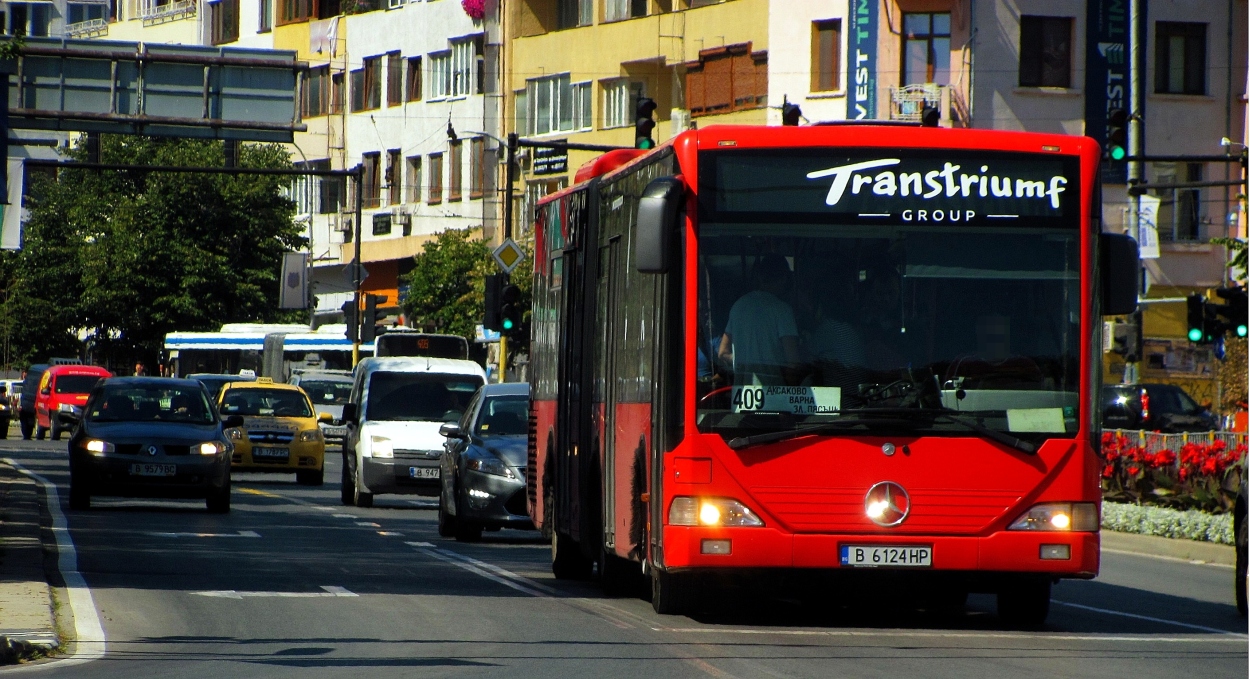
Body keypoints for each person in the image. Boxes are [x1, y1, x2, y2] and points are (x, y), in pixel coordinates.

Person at [718, 255, 801, 386]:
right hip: (774, 396)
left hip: (741, 397)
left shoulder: (738, 306)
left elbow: (723, 353)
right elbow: (793, 362)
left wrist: (745, 362)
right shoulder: (782, 310)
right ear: (784, 279)